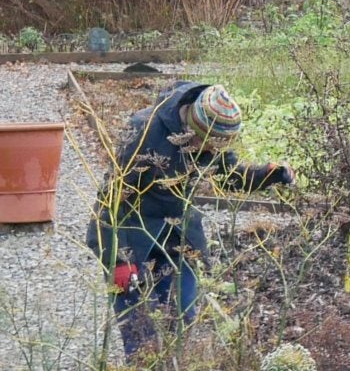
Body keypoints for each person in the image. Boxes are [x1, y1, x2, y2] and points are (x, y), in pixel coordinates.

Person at [86, 79, 292, 355]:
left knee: (182, 315)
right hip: (134, 235)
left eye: (214, 146)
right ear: (193, 125)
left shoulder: (211, 137)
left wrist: (269, 174)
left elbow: (230, 176)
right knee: (138, 325)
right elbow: (111, 198)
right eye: (204, 143)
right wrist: (119, 261)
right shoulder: (143, 130)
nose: (208, 152)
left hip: (179, 235)